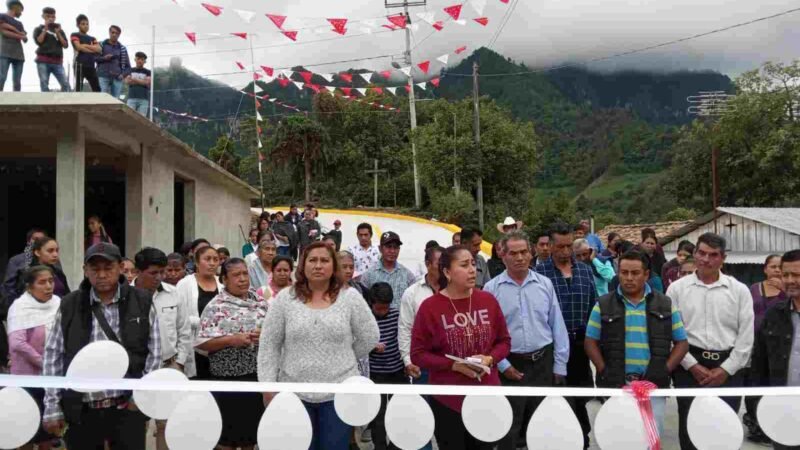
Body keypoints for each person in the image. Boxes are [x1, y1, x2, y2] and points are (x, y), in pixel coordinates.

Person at [258, 242, 379, 450]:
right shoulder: (285, 299)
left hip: (338, 395)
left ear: (334, 266)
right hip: (293, 393)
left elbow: (370, 335)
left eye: (324, 260)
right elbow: (269, 344)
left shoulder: (350, 297)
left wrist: (344, 357)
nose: (318, 265)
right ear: (303, 265)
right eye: (312, 260)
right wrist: (268, 386)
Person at [42, 242, 161, 449]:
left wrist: (140, 396)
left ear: (120, 268)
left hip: (127, 406)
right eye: (95, 269)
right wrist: (52, 405)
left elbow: (155, 352)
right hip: (81, 408)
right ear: (85, 271)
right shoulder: (69, 304)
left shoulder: (142, 301)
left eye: (108, 268)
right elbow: (53, 356)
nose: (102, 275)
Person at [411, 245, 511, 450]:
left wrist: (489, 359)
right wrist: (453, 365)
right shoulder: (430, 307)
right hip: (448, 399)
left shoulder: (488, 300)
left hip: (487, 396)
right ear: (447, 272)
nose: (472, 270)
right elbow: (418, 354)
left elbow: (504, 342)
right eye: (464, 265)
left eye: (473, 264)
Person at [585, 249, 689, 437]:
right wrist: (603, 370)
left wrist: (663, 370)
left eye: (635, 273)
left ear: (646, 274)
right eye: (624, 273)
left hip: (652, 387)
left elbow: (681, 343)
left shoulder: (665, 304)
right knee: (618, 438)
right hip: (616, 385)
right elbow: (590, 342)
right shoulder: (603, 304)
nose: (629, 278)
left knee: (649, 438)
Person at [667, 232, 754, 450]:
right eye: (702, 253)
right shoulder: (677, 289)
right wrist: (692, 365)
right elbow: (668, 332)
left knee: (723, 429)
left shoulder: (739, 290)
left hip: (729, 367)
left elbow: (746, 338)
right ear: (695, 254)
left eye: (713, 255)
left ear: (722, 258)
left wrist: (726, 369)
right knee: (690, 428)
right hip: (688, 365)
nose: (706, 259)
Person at [484, 232, 569, 450]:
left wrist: (559, 365)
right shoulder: (491, 290)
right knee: (508, 427)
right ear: (503, 256)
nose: (519, 257)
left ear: (531, 253)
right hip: (509, 364)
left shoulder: (545, 284)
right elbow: (487, 335)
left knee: (541, 425)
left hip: (542, 363)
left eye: (523, 252)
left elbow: (557, 325)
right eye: (513, 253)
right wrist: (503, 366)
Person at [534, 222, 597, 448]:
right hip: (552, 347)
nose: (565, 251)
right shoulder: (539, 274)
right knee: (556, 397)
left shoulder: (584, 270)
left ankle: (583, 439)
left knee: (580, 397)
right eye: (560, 247)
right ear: (549, 246)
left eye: (569, 246)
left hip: (580, 344)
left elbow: (593, 307)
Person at [197, 258, 266, 450]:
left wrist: (264, 335)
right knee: (226, 438)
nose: (243, 279)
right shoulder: (215, 306)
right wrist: (230, 340)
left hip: (255, 379)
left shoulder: (260, 302)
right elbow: (201, 344)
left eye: (245, 274)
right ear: (225, 280)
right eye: (236, 275)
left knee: (249, 437)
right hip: (227, 380)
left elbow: (274, 334)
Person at [133, 248, 192, 450]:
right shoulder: (127, 298)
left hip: (169, 367)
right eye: (153, 273)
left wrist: (179, 363)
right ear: (137, 272)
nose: (159, 277)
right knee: (135, 423)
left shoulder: (173, 294)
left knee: (166, 423)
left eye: (162, 272)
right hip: (137, 370)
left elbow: (184, 331)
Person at [7, 265, 61, 450]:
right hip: (26, 380)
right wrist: (45, 363)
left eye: (51, 281)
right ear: (29, 286)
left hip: (51, 380)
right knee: (26, 434)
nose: (48, 286)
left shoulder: (58, 304)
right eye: (42, 282)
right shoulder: (20, 307)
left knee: (48, 434)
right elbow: (17, 343)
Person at [751, 249, 800, 450]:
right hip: (783, 412)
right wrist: (757, 407)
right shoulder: (774, 315)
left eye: (796, 275)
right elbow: (759, 366)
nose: (789, 280)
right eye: (785, 274)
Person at [743, 254, 787, 444]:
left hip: (780, 346)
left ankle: (777, 426)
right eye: (772, 266)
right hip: (755, 345)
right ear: (765, 269)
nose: (776, 270)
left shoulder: (790, 290)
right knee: (754, 384)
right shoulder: (754, 289)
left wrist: (784, 289)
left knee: (775, 384)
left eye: (779, 267)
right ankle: (756, 426)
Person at [367, 282, 404, 450]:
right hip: (375, 374)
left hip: (397, 371)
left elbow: (405, 337)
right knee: (378, 415)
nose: (383, 311)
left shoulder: (397, 315)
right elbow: (357, 343)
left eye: (386, 308)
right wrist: (372, 346)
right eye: (379, 308)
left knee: (400, 412)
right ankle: (379, 446)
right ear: (371, 304)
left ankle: (396, 446)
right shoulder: (366, 319)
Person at [175, 245, 221, 379]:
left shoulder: (222, 284)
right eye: (207, 259)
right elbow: (179, 317)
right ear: (196, 262)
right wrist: (202, 322)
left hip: (219, 346)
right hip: (194, 345)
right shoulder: (184, 284)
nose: (212, 263)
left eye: (215, 259)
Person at [398, 246, 443, 379]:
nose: (443, 268)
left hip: (451, 363)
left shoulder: (455, 291)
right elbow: (405, 328)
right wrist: (408, 361)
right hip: (422, 362)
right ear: (428, 264)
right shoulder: (412, 293)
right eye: (439, 264)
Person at [360, 232, 416, 309]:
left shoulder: (408, 276)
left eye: (395, 247)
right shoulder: (368, 276)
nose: (392, 251)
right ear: (380, 248)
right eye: (389, 247)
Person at [2, 228, 46, 301]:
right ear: (28, 242)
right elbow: (8, 286)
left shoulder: (52, 259)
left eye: (42, 240)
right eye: (36, 239)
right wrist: (17, 303)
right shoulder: (17, 260)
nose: (39, 242)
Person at [33, 6, 69, 92]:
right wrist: (45, 28)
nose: (50, 18)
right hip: (43, 61)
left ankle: (64, 103)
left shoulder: (59, 30)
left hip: (57, 62)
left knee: (65, 84)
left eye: (52, 16)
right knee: (44, 84)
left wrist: (58, 33)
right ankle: (45, 104)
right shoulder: (38, 29)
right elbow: (39, 41)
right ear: (43, 16)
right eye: (48, 16)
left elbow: (65, 45)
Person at [0, 0, 27, 92]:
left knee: (17, 82)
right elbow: (3, 31)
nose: (21, 13)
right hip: (4, 52)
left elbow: (25, 39)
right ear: (16, 7)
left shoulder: (20, 23)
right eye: (21, 10)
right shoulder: (2, 16)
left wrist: (20, 34)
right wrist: (19, 33)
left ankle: (17, 103)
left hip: (19, 55)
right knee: (1, 77)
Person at [96, 25, 130, 98]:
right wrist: (104, 58)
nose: (114, 35)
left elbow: (128, 67)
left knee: (115, 102)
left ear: (119, 35)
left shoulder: (122, 49)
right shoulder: (101, 45)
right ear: (109, 32)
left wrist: (123, 75)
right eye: (113, 32)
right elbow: (94, 58)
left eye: (117, 33)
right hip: (103, 76)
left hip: (117, 78)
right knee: (101, 99)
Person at [70, 14, 100, 92]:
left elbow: (99, 49)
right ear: (78, 25)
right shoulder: (74, 35)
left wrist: (84, 45)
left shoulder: (92, 38)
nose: (86, 26)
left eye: (87, 24)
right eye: (83, 24)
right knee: (78, 88)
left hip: (91, 65)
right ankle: (76, 104)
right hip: (79, 65)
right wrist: (92, 49)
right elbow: (78, 47)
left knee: (97, 89)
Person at [125, 51, 150, 116]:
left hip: (143, 100)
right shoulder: (130, 70)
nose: (140, 61)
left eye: (142, 59)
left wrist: (134, 79)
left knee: (141, 119)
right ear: (135, 59)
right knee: (129, 117)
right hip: (131, 98)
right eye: (138, 59)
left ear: (145, 61)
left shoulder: (148, 72)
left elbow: (147, 82)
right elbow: (127, 81)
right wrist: (141, 81)